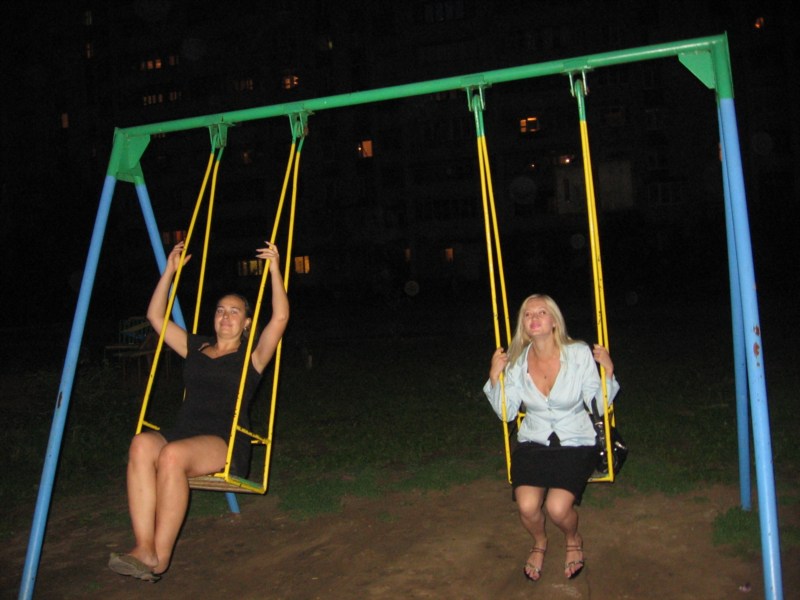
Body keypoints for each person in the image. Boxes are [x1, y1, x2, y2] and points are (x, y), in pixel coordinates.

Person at [108, 241, 289, 583]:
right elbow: (156, 317)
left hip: (225, 440)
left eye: (234, 311)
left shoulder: (253, 357)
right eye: (220, 310)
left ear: (247, 322)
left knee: (172, 456)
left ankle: (160, 558)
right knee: (141, 444)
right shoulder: (195, 347)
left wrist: (276, 272)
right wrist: (169, 273)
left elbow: (280, 318)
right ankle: (144, 546)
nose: (225, 316)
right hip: (185, 431)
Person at [483, 294, 618, 582]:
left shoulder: (578, 354)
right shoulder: (516, 361)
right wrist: (495, 377)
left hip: (575, 440)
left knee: (557, 508)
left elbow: (597, 404)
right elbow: (507, 413)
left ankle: (572, 538)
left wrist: (608, 371)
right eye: (528, 314)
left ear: (554, 321)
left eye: (541, 312)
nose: (534, 318)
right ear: (523, 323)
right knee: (527, 506)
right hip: (534, 441)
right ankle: (539, 541)